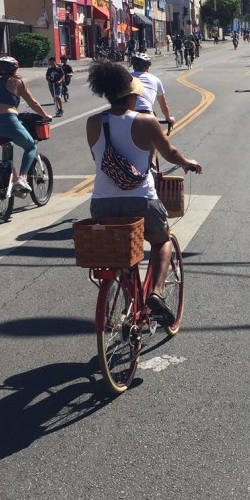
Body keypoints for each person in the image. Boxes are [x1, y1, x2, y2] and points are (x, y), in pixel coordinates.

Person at [86, 62, 202, 324]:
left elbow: (98, 157)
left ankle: (130, 309)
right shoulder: (146, 120)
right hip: (140, 199)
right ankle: (157, 294)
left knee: (122, 256)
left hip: (102, 204)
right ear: (130, 95)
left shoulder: (93, 122)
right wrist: (187, 163)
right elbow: (169, 152)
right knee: (162, 241)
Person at [0, 56, 52, 193]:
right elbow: (32, 103)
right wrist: (45, 115)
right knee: (31, 146)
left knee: (6, 144)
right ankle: (22, 177)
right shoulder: (17, 82)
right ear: (14, 69)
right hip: (9, 120)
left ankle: (10, 177)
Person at [131, 52, 175, 134]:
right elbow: (163, 104)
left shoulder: (126, 77)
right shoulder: (155, 79)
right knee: (162, 145)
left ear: (133, 67)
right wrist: (168, 118)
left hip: (127, 114)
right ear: (147, 67)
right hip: (146, 113)